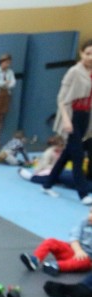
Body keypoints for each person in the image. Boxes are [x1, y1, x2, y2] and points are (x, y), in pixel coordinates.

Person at [41, 39, 92, 205]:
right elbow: (61, 98)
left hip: (85, 115)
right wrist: (66, 119)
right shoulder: (74, 71)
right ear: (81, 53)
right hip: (72, 115)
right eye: (87, 53)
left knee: (67, 154)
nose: (90, 57)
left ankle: (47, 183)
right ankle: (83, 194)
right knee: (77, 155)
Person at [20, 207, 92, 276]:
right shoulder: (84, 222)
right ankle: (35, 260)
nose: (90, 216)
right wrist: (78, 250)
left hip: (85, 258)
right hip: (73, 250)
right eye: (90, 212)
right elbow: (74, 237)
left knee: (84, 263)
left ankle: (56, 265)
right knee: (51, 241)